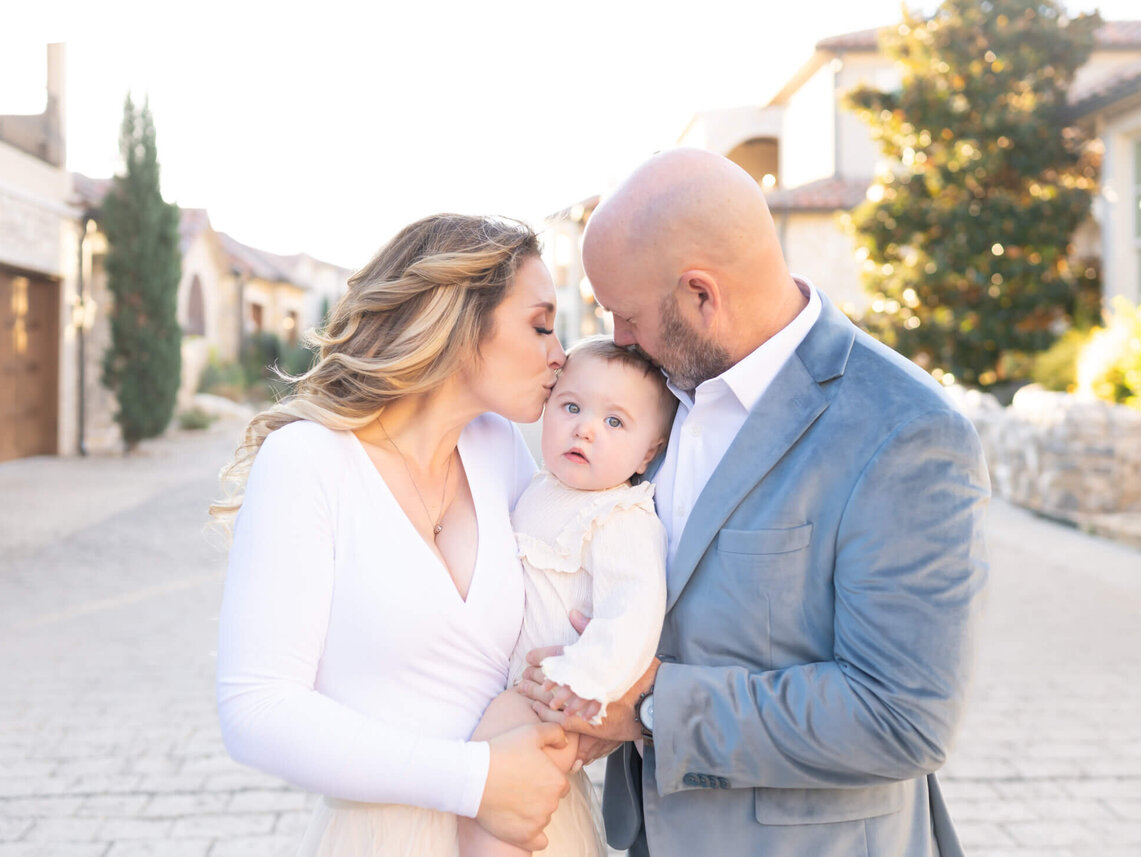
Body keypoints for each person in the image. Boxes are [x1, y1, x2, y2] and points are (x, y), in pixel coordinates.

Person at [520, 149, 990, 856]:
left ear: (702, 295)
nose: (617, 339)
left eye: (629, 315)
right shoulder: (654, 397)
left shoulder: (905, 432)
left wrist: (649, 705)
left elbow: (903, 715)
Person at [211, 214, 574, 855]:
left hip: (533, 831)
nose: (559, 354)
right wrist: (476, 781)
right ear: (460, 320)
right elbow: (257, 709)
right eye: (541, 325)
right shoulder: (308, 462)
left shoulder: (501, 450)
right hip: (391, 835)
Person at [458, 337, 676, 857]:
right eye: (572, 407)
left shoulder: (620, 517)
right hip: (522, 687)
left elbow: (634, 613)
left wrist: (584, 680)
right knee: (504, 807)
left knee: (490, 800)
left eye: (615, 422)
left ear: (648, 452)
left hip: (553, 698)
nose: (586, 428)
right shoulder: (539, 488)